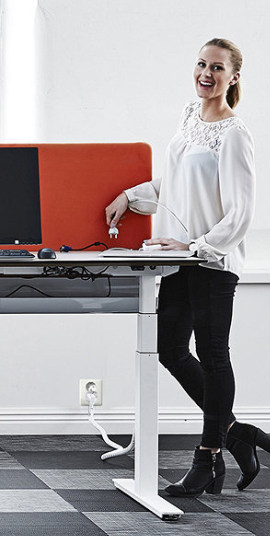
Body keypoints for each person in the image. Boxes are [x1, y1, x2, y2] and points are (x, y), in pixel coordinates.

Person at [105, 37, 265, 497]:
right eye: (201, 64)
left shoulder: (235, 134)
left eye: (217, 68)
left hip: (212, 261)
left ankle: (208, 456)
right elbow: (175, 183)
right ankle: (237, 434)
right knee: (169, 348)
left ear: (233, 77)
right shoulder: (188, 117)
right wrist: (130, 196)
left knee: (213, 356)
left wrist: (196, 245)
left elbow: (241, 212)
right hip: (179, 261)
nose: (206, 74)